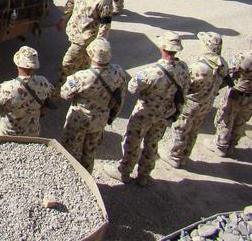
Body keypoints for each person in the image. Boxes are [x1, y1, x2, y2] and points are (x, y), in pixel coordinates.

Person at [104, 32, 189, 187]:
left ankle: (124, 171)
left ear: (163, 47)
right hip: (164, 114)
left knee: (133, 141)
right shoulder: (183, 68)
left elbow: (132, 88)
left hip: (144, 113)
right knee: (152, 143)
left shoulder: (150, 73)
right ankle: (144, 176)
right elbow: (185, 88)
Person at [60, 38, 128, 172]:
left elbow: (64, 94)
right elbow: (121, 96)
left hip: (79, 121)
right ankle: (87, 177)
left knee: (70, 152)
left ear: (90, 54)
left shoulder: (81, 77)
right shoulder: (118, 72)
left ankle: (71, 177)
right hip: (100, 120)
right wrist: (112, 116)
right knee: (90, 152)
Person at [163, 32, 227, 168]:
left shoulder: (199, 68)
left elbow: (185, 86)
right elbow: (223, 82)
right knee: (194, 130)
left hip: (191, 104)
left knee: (181, 129)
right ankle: (185, 155)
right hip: (207, 103)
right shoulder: (223, 64)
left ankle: (175, 157)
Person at [56, 0, 113, 79]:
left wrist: (99, 44)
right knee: (83, 64)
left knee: (67, 64)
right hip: (74, 30)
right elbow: (71, 2)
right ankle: (83, 84)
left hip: (86, 38)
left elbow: (105, 25)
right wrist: (64, 18)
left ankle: (59, 92)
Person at [0, 46, 55, 136]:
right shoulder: (44, 82)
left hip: (8, 135)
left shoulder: (6, 87)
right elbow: (51, 93)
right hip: (32, 134)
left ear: (18, 64)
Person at [213, 49, 252, 157]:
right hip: (250, 97)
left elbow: (229, 69)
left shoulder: (245, 56)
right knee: (241, 120)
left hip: (237, 93)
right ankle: (231, 145)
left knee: (227, 118)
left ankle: (220, 146)